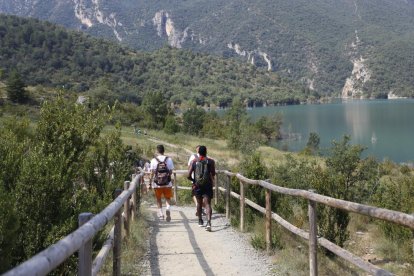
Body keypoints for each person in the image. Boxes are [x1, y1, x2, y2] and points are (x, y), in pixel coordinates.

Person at [188, 145, 216, 231]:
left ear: (198, 152)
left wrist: (194, 181)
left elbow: (188, 175)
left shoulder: (194, 161)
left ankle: (200, 221)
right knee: (207, 204)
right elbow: (213, 173)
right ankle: (209, 222)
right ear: (206, 152)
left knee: (199, 203)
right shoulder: (211, 161)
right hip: (207, 185)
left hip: (197, 186)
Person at [149, 144, 174, 222]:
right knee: (167, 198)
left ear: (157, 151)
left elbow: (152, 173)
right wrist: (166, 177)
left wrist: (150, 183)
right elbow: (171, 171)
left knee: (158, 199)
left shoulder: (154, 160)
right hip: (167, 183)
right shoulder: (169, 159)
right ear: (164, 151)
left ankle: (161, 214)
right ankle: (168, 208)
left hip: (157, 184)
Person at [188, 145, 206, 217]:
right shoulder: (207, 158)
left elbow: (189, 166)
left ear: (197, 150)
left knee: (194, 194)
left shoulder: (193, 157)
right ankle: (201, 208)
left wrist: (191, 177)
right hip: (205, 180)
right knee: (204, 195)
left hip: (195, 179)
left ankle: (198, 207)